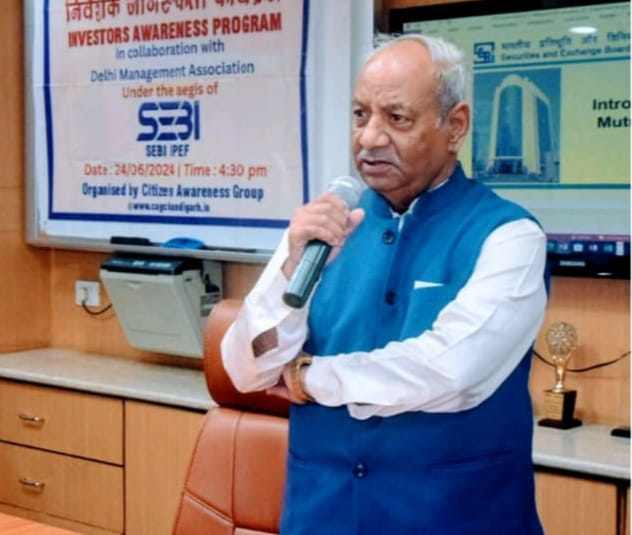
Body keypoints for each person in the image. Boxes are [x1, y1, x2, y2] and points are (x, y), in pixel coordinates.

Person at [222, 34, 547, 534]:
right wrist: (289, 268)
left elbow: (449, 372)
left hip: (454, 518)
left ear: (455, 125)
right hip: (322, 516)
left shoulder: (509, 236)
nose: (370, 137)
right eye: (360, 115)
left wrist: (308, 378)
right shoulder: (324, 228)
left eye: (397, 118)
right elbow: (245, 369)